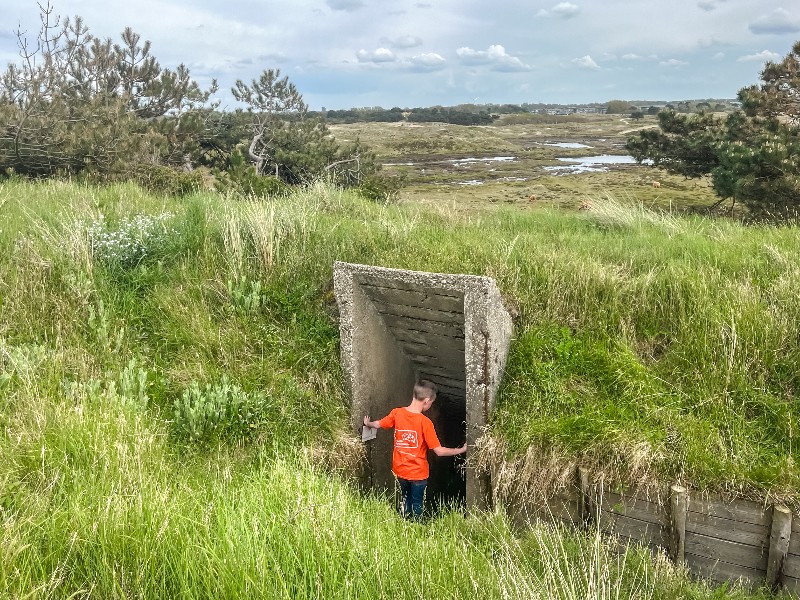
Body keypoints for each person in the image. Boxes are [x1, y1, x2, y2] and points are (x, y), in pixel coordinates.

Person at [363, 380, 467, 520]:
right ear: (426, 400)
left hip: (400, 471)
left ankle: (402, 523)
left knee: (405, 499)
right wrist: (460, 450)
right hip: (418, 474)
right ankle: (415, 528)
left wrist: (367, 423)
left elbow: (378, 424)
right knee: (417, 504)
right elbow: (439, 451)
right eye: (431, 403)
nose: (430, 406)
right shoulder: (425, 423)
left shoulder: (397, 413)